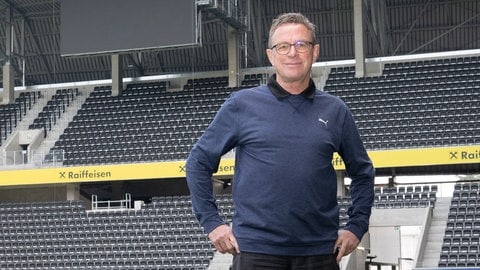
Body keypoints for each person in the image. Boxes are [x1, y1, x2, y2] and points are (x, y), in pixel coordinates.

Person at [186, 12, 375, 270]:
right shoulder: (241, 105)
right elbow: (198, 162)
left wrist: (356, 226)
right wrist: (212, 222)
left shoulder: (335, 110)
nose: (293, 53)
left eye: (302, 44)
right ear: (271, 55)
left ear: (315, 51)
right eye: (283, 46)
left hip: (319, 252)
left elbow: (363, 172)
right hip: (256, 251)